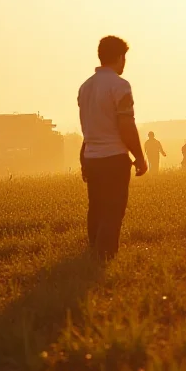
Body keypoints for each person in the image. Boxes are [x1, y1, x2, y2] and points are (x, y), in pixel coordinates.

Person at [78, 36, 147, 260]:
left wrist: (83, 158)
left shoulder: (85, 87)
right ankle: (105, 257)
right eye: (124, 57)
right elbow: (126, 124)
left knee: (96, 207)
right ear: (119, 57)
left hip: (91, 157)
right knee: (113, 209)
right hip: (114, 158)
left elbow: (87, 126)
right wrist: (139, 155)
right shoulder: (120, 86)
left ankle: (92, 253)